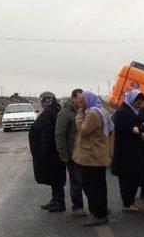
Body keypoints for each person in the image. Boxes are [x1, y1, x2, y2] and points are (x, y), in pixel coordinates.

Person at [73, 91, 113, 227]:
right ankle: (101, 212)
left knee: (92, 186)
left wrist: (78, 116)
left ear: (88, 100)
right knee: (99, 185)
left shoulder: (92, 114)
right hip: (98, 154)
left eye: (82, 101)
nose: (81, 104)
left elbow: (83, 130)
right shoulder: (102, 111)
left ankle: (99, 214)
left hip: (91, 156)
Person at [29, 91, 66, 212]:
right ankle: (55, 199)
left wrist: (44, 152)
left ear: (47, 101)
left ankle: (59, 202)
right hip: (49, 152)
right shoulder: (51, 111)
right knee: (53, 177)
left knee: (55, 177)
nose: (41, 103)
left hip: (51, 153)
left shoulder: (51, 113)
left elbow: (48, 134)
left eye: (42, 101)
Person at [111, 90, 144, 213]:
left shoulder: (130, 110)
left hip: (131, 150)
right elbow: (127, 129)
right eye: (137, 102)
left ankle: (130, 201)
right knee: (127, 179)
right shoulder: (122, 112)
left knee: (133, 177)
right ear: (132, 100)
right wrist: (139, 128)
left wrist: (139, 128)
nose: (139, 105)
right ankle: (127, 203)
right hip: (125, 152)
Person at [55, 88, 87, 216]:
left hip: (84, 151)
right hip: (71, 152)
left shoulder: (85, 111)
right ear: (73, 98)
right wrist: (62, 152)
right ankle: (77, 207)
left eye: (83, 99)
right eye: (79, 99)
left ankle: (97, 206)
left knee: (87, 179)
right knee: (76, 180)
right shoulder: (65, 113)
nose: (81, 101)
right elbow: (59, 134)